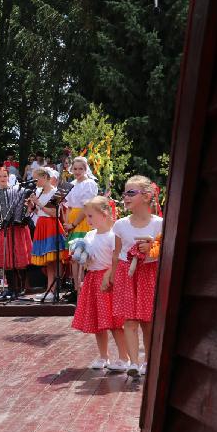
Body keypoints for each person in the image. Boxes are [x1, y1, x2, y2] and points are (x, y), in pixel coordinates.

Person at [109, 175, 163, 377]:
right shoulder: (120, 225)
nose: (126, 196)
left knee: (147, 321)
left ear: (147, 196)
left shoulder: (159, 224)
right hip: (127, 274)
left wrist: (152, 248)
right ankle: (133, 362)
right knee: (129, 321)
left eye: (131, 192)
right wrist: (111, 276)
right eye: (125, 193)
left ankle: (149, 361)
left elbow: (164, 251)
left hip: (149, 273)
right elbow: (116, 254)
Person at [71, 196, 129, 372]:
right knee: (98, 323)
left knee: (115, 324)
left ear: (104, 215)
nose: (87, 220)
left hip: (108, 282)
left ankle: (124, 358)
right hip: (92, 281)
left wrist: (111, 278)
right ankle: (104, 356)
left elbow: (117, 261)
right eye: (86, 216)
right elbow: (86, 259)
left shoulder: (113, 237)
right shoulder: (89, 235)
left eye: (90, 216)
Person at [0, 167, 33, 299]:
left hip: (17, 229)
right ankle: (10, 288)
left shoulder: (17, 191)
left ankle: (20, 288)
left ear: (8, 177)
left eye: (5, 176)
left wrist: (28, 206)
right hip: (2, 228)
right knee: (7, 260)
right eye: (0, 176)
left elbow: (27, 209)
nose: (3, 179)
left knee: (18, 258)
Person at [28, 168, 68, 301]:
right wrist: (31, 205)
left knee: (54, 259)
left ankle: (55, 289)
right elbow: (34, 211)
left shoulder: (55, 192)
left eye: (36, 179)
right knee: (48, 261)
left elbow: (54, 213)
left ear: (45, 177)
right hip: (41, 225)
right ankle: (49, 289)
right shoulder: (38, 192)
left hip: (51, 225)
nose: (35, 182)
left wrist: (38, 203)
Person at [63, 156, 99, 289]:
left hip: (82, 220)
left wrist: (74, 224)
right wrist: (67, 224)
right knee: (73, 257)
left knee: (83, 255)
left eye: (80, 169)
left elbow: (85, 207)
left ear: (85, 169)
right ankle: (75, 287)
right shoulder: (71, 184)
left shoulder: (89, 183)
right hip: (72, 220)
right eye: (75, 168)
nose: (77, 171)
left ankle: (84, 288)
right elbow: (68, 206)